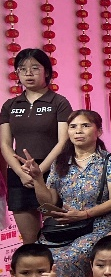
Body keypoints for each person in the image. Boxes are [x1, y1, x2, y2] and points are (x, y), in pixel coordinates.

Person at [17, 109, 111, 277]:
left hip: (99, 225)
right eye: (73, 127)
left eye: (85, 126)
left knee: (69, 258)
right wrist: (37, 179)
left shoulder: (109, 161)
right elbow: (49, 202)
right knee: (37, 259)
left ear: (98, 131)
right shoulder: (60, 162)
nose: (78, 131)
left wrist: (84, 214)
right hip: (65, 227)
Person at [0, 48, 73, 243]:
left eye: (34, 68)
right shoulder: (9, 105)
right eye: (22, 69)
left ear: (46, 72)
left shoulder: (59, 102)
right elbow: (5, 144)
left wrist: (39, 172)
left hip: (52, 171)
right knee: (29, 240)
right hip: (20, 174)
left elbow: (63, 141)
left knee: (54, 235)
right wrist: (21, 173)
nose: (28, 73)